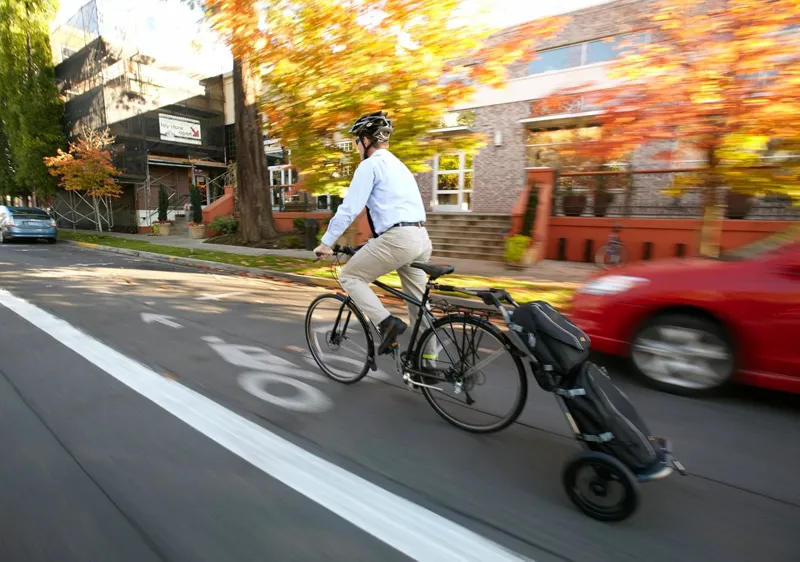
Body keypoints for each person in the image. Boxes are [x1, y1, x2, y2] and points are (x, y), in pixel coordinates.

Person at [313, 111, 431, 356]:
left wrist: (326, 243)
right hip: (420, 238)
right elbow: (395, 209)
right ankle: (428, 363)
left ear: (366, 140)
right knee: (418, 304)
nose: (357, 147)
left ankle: (387, 323)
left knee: (350, 276)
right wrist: (374, 241)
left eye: (357, 141)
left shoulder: (370, 165)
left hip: (399, 240)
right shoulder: (400, 166)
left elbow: (350, 209)